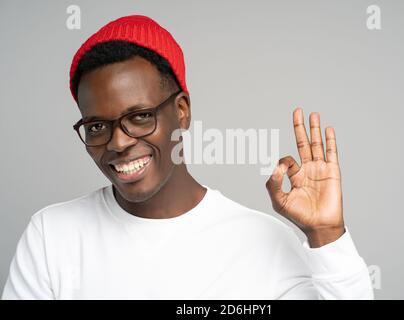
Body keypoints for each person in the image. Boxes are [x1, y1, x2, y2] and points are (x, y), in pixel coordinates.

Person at [2, 15, 373, 299]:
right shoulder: (52, 236)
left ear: (181, 110)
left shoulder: (264, 242)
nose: (117, 142)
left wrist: (327, 235)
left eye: (139, 117)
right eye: (97, 126)